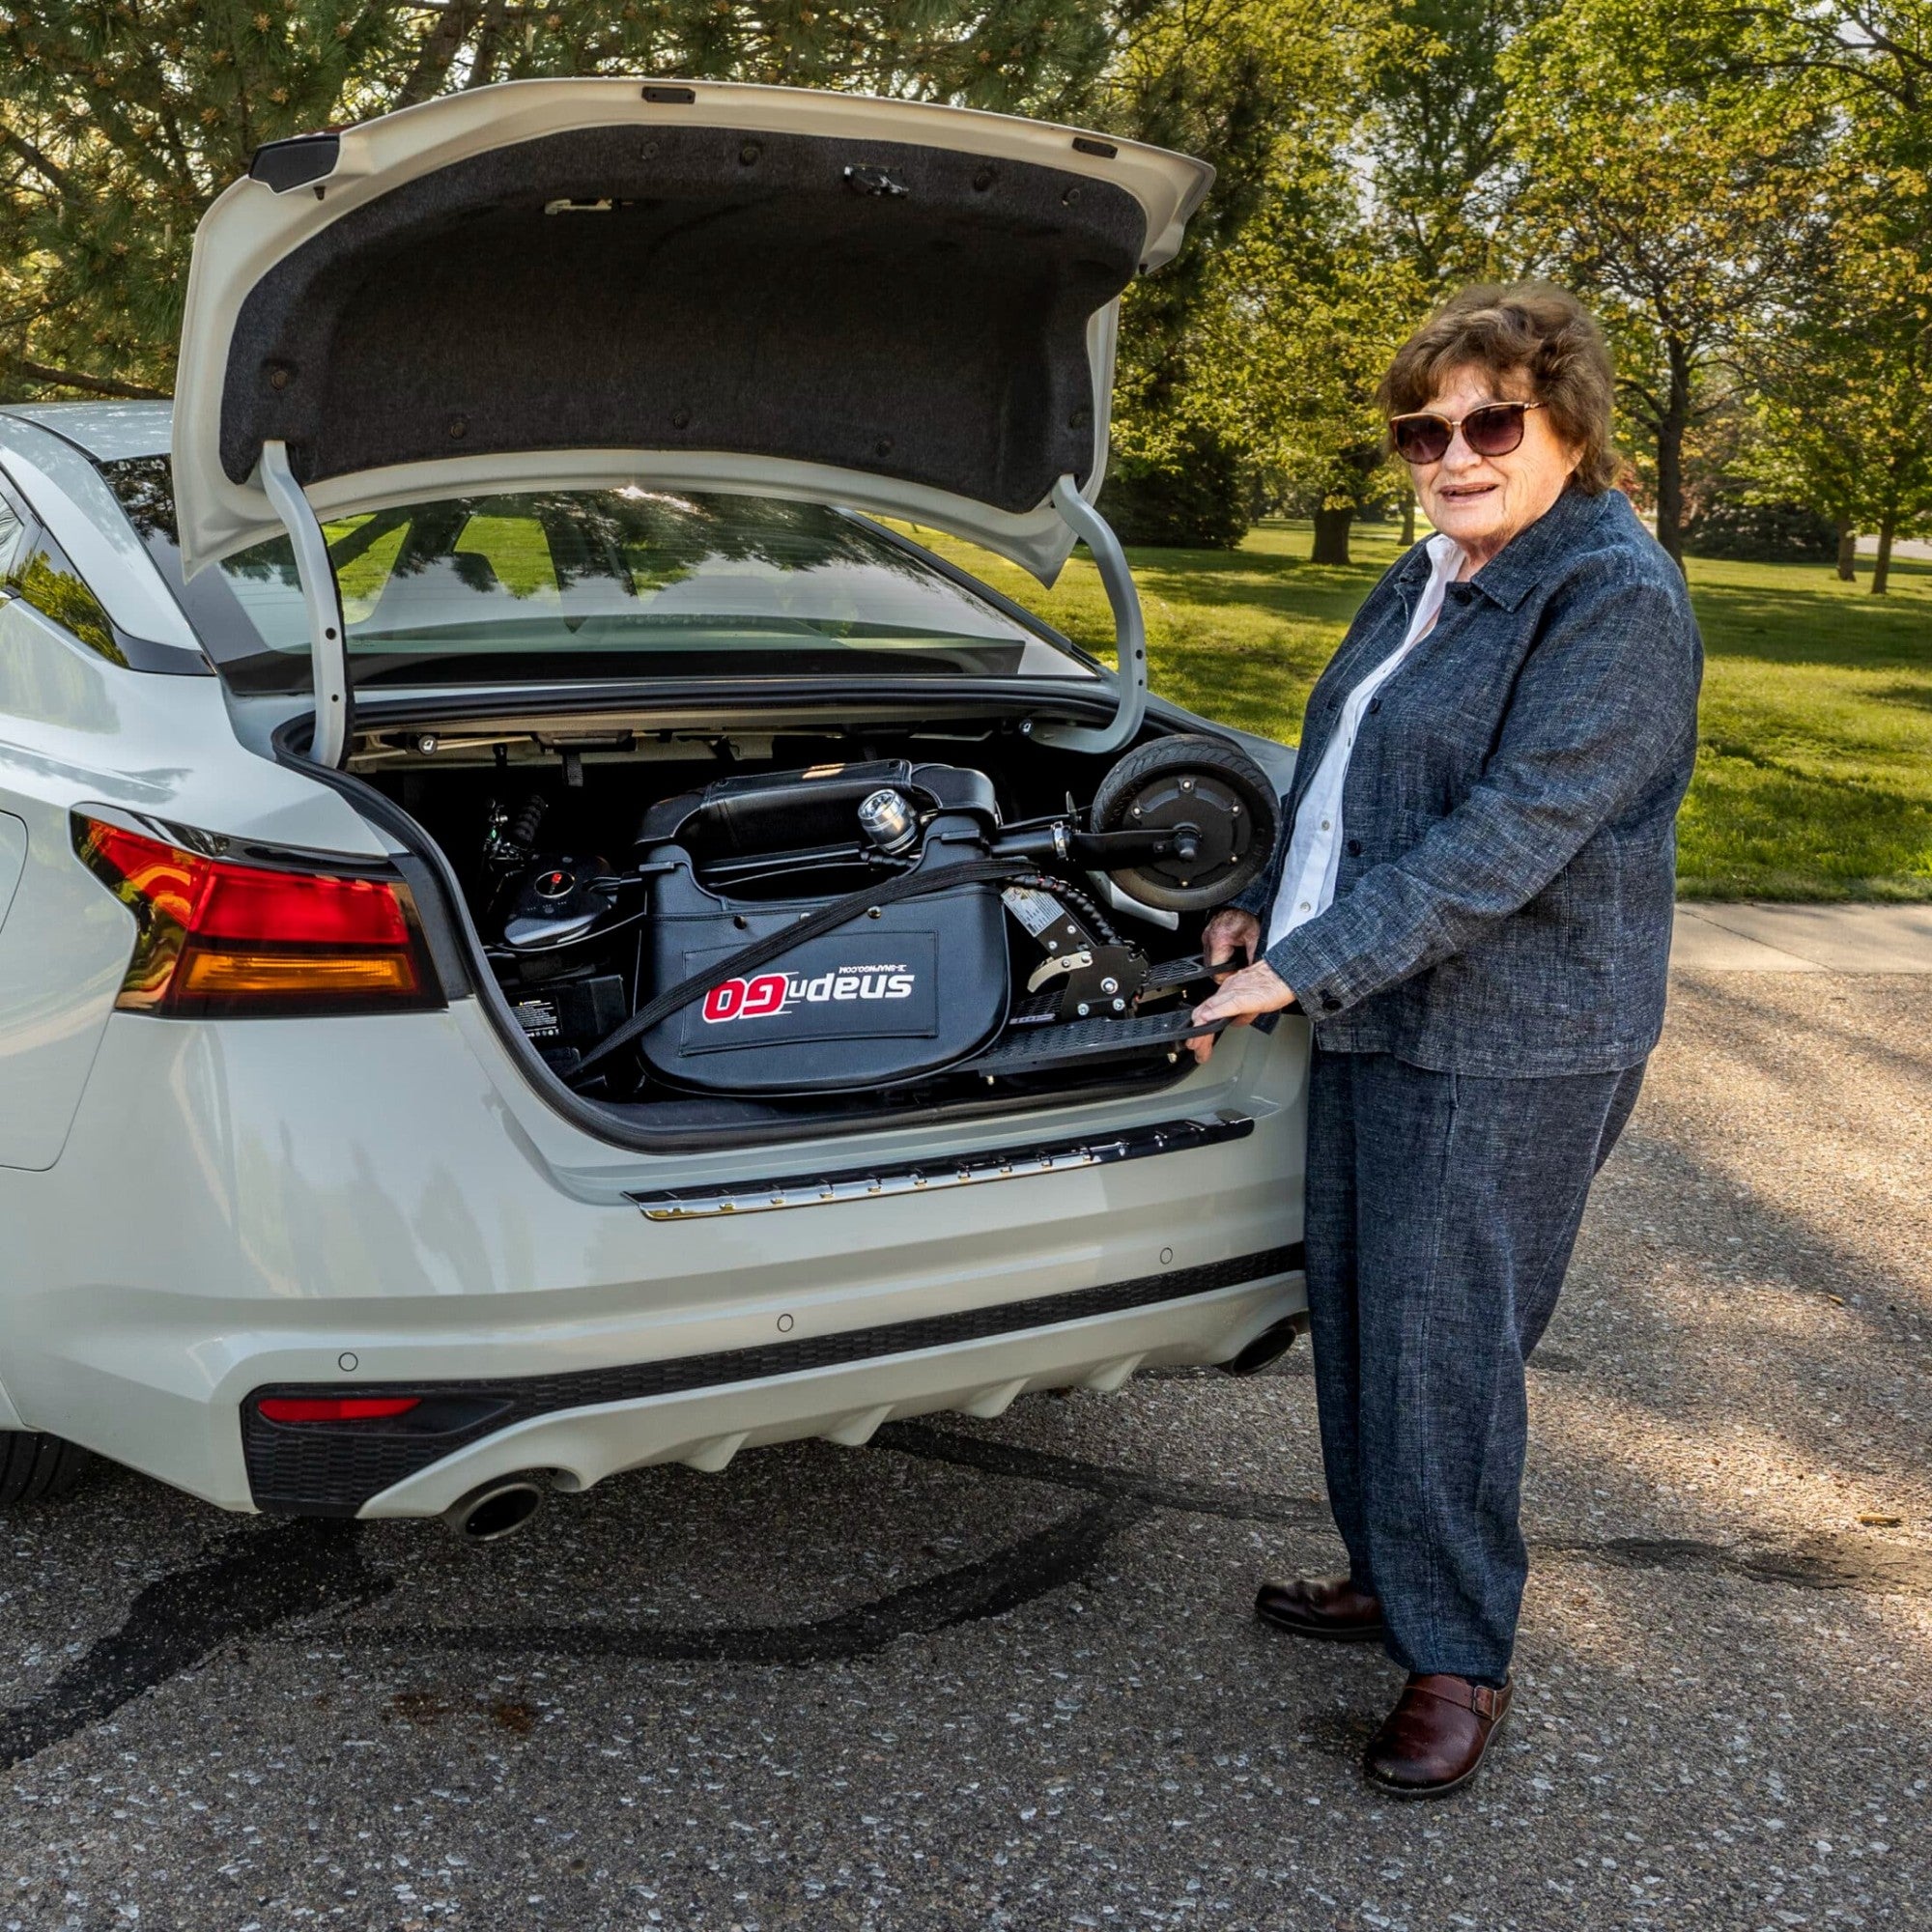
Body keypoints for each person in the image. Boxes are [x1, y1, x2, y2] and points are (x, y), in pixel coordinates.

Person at [1188, 282, 1702, 1799]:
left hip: (1516, 1033)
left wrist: (1301, 972)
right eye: (1426, 430)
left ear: (1569, 427)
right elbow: (1349, 764)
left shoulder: (1612, 596)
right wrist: (1263, 913)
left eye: (1491, 422)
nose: (1453, 453)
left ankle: (1458, 1654)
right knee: (1359, 1312)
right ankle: (1392, 1573)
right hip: (1385, 1004)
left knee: (1448, 1350)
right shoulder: (1433, 568)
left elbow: (1511, 838)